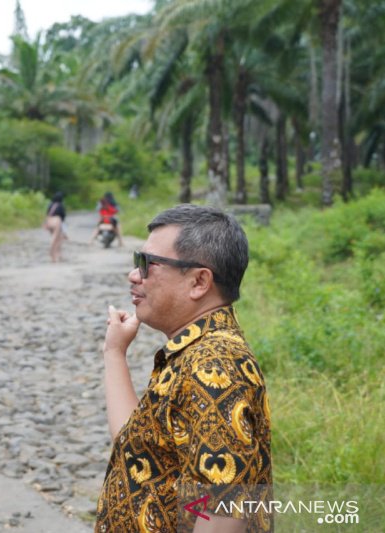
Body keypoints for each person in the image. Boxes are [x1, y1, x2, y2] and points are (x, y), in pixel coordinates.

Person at [95, 204, 272, 533]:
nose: (134, 275)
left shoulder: (215, 365)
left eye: (147, 264)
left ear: (199, 282)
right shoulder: (194, 352)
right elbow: (135, 451)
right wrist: (114, 352)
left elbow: (223, 515)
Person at [43, 191, 66, 262]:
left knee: (54, 237)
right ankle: (54, 252)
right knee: (57, 239)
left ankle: (55, 256)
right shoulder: (61, 205)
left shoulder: (50, 204)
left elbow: (47, 213)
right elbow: (63, 216)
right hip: (57, 221)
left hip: (49, 221)